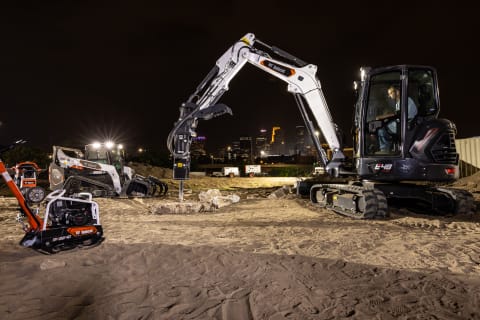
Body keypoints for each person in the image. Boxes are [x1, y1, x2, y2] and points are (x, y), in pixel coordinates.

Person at [377, 85, 417, 153]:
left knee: (381, 128)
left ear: (397, 92)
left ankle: (384, 150)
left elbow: (400, 115)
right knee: (383, 124)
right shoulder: (399, 102)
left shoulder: (406, 100)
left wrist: (383, 117)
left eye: (390, 93)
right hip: (401, 123)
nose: (389, 96)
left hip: (407, 125)